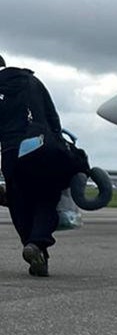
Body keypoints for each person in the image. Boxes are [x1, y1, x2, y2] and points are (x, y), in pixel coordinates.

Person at [0, 54, 64, 277]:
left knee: (20, 205)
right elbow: (51, 116)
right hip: (41, 148)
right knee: (46, 199)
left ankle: (34, 247)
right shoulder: (32, 81)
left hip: (10, 152)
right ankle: (37, 246)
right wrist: (58, 142)